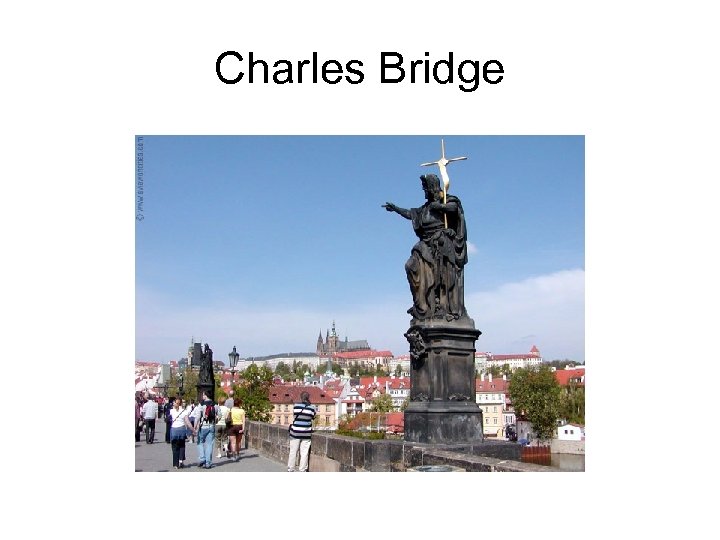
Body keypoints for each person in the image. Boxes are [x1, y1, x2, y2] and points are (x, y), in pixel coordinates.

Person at [383, 173, 468, 322]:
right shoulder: (425, 208)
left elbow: (455, 209)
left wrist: (440, 206)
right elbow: (411, 214)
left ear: (432, 188)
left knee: (442, 277)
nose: (424, 192)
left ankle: (442, 307)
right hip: (425, 244)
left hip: (441, 243)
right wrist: (396, 209)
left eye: (425, 189)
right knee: (410, 266)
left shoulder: (447, 200)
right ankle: (422, 305)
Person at [287, 391, 316, 472]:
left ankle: (290, 469)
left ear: (301, 398)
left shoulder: (296, 406)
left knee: (293, 451)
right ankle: (302, 470)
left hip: (295, 432)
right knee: (304, 453)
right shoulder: (312, 407)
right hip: (306, 433)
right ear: (308, 397)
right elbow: (313, 417)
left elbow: (294, 415)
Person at [191, 391, 218, 469]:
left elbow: (197, 417)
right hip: (211, 426)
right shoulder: (215, 404)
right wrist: (215, 421)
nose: (202, 396)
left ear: (206, 396)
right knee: (209, 444)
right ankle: (208, 463)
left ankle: (202, 458)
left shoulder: (201, 404)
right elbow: (219, 415)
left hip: (203, 426)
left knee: (200, 442)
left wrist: (195, 427)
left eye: (203, 395)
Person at [169, 398, 193, 469]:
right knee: (182, 445)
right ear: (181, 403)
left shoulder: (171, 411)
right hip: (182, 429)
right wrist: (193, 429)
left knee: (175, 447)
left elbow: (169, 419)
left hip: (174, 430)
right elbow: (187, 422)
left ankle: (176, 464)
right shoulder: (184, 411)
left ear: (175, 403)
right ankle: (181, 460)